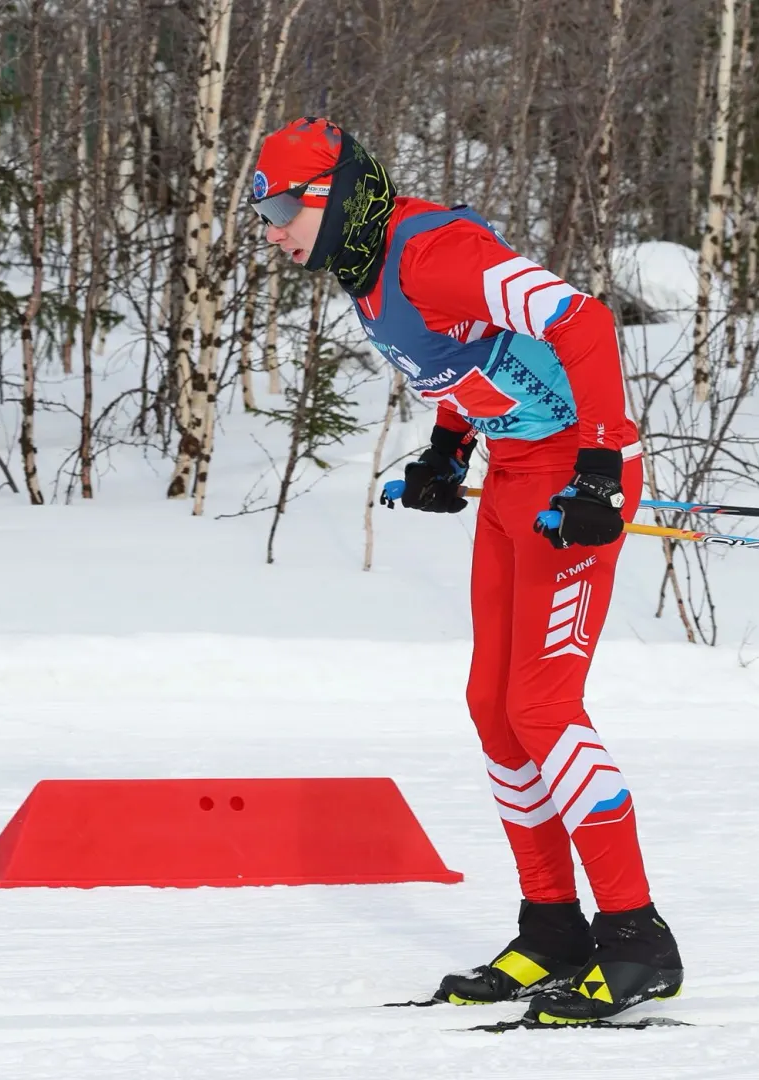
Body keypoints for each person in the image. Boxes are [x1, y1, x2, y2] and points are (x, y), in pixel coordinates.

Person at [248, 117, 680, 1024]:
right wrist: (447, 450)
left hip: (575, 475)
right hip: (517, 475)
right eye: (265, 214)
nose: (273, 230)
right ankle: (552, 929)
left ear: (331, 199)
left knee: (542, 705)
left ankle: (637, 938)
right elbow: (473, 359)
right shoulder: (365, 274)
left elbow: (581, 320)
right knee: (493, 705)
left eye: (282, 208)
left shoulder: (434, 251)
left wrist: (602, 466)